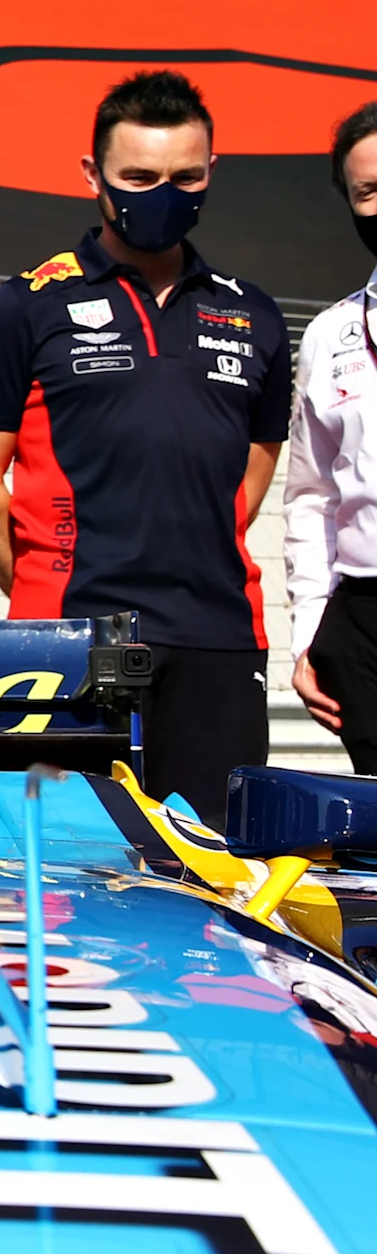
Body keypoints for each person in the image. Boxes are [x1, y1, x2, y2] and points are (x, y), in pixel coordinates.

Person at [0, 70, 289, 820]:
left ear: (210, 173)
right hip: (69, 640)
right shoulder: (26, 304)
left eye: (184, 177)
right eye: (137, 176)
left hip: (220, 638)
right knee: (68, 875)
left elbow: (252, 474)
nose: (161, 193)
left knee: (218, 871)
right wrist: (52, 592)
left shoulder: (255, 314)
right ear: (91, 174)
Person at [287, 104, 377, 774]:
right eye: (367, 192)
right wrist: (311, 635)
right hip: (364, 620)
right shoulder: (330, 333)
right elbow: (311, 497)